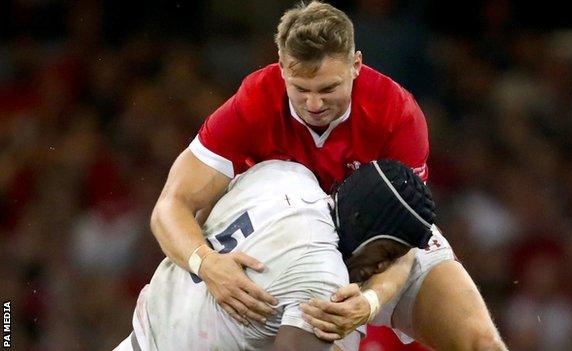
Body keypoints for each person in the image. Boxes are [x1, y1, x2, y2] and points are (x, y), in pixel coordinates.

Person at [150, 1, 506, 349]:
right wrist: (207, 263)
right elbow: (171, 206)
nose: (315, 104)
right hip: (284, 249)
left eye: (328, 89)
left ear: (356, 64)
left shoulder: (397, 114)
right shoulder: (256, 99)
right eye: (301, 90)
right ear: (282, 69)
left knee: (482, 343)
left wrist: (370, 300)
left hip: (379, 250)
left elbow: (406, 232)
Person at [116, 159, 436, 351]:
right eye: (387, 252)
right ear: (365, 225)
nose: (381, 267)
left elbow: (201, 214)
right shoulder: (324, 274)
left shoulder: (283, 173)